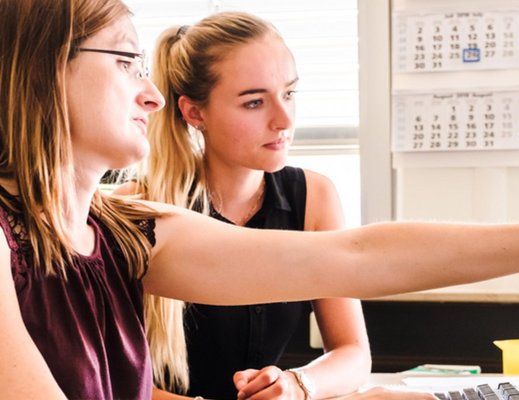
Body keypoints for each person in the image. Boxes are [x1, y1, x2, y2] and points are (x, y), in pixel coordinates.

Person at [0, 0, 519, 398]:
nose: (151, 93)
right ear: (43, 71)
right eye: (125, 60)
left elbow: (353, 257)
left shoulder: (119, 228)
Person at [115, 12, 369, 399]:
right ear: (194, 113)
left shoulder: (314, 197)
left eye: (289, 94)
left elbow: (353, 353)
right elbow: (102, 375)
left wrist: (298, 385)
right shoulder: (133, 208)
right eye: (254, 103)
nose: (284, 120)